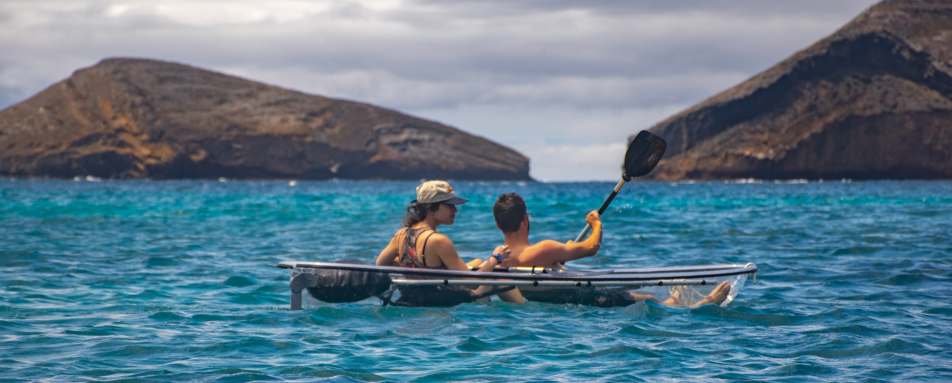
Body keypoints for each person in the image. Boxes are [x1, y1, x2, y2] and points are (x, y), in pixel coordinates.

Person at [479, 192, 731, 307]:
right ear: (525, 220)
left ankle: (678, 301)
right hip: (586, 300)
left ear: (498, 224)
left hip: (555, 301)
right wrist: (596, 224)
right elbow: (591, 248)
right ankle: (700, 304)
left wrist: (556, 260)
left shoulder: (499, 257)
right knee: (651, 300)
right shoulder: (544, 249)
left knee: (635, 294)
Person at [375, 180, 524, 303]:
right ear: (431, 207)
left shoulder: (400, 235)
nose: (455, 210)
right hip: (441, 301)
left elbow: (380, 265)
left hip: (411, 299)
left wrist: (404, 262)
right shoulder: (439, 241)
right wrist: (495, 259)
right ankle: (524, 313)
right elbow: (470, 282)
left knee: (477, 262)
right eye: (450, 205)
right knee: (498, 277)